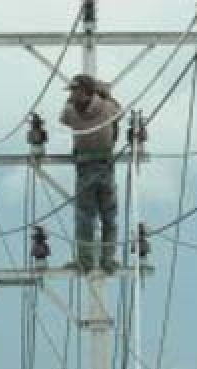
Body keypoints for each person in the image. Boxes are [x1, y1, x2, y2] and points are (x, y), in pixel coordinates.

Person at [59, 74, 122, 273]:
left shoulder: (71, 111)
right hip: (105, 167)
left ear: (82, 91)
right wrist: (104, 92)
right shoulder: (107, 107)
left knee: (85, 218)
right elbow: (119, 110)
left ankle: (86, 262)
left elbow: (63, 117)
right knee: (109, 217)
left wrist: (72, 99)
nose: (72, 95)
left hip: (86, 168)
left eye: (74, 91)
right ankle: (108, 260)